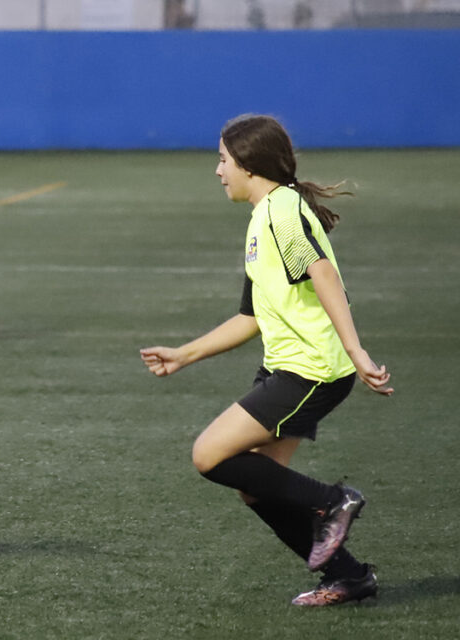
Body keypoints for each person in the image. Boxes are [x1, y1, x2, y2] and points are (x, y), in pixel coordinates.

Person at [139, 114, 393, 607]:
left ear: (249, 165)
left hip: (311, 370)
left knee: (208, 454)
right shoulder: (264, 217)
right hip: (288, 367)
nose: (218, 171)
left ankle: (333, 500)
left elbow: (323, 274)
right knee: (256, 487)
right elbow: (249, 317)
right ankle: (349, 577)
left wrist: (356, 349)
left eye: (223, 160)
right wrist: (184, 355)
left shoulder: (281, 211)